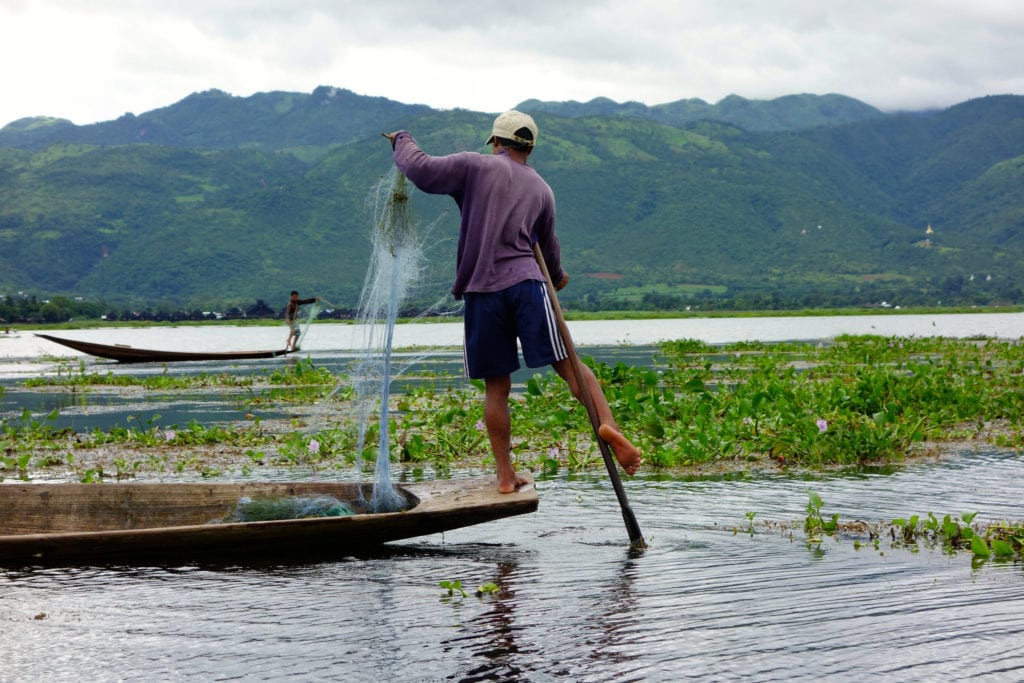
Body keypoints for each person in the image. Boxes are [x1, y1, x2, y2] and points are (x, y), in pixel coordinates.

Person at [385, 111, 641, 493]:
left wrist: (401, 139)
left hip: (482, 291)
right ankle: (607, 424)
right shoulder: (541, 189)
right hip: (527, 285)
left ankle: (505, 476)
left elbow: (418, 168)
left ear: (495, 142)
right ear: (530, 147)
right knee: (570, 366)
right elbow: (550, 251)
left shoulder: (473, 166)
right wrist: (557, 277)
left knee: (497, 387)